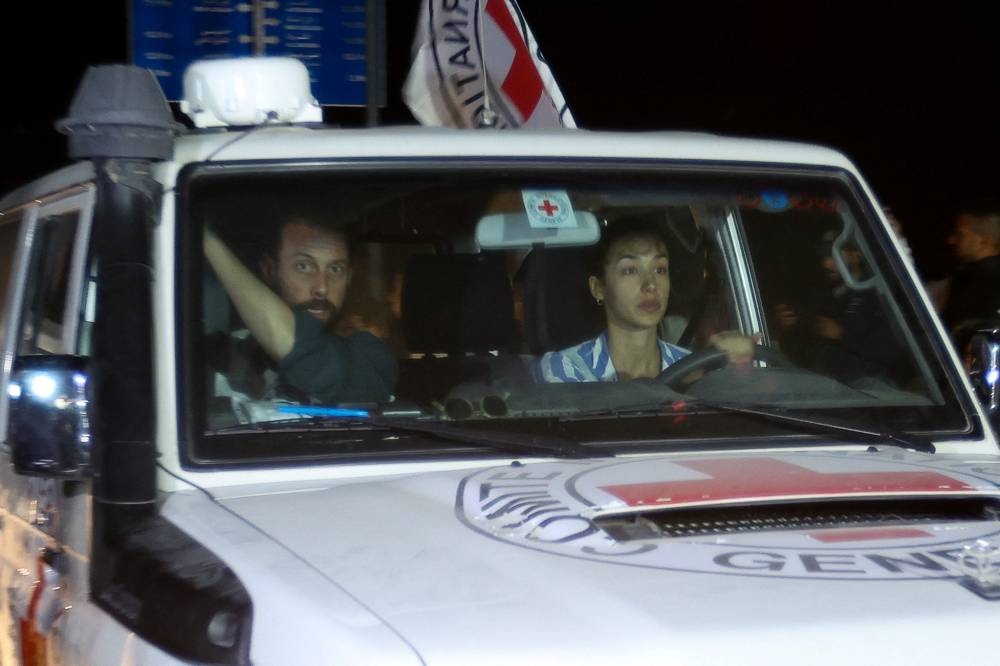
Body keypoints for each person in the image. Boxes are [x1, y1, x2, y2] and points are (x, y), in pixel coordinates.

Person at [203, 216, 397, 404]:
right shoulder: (221, 354)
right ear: (269, 270)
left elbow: (310, 356)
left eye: (336, 270)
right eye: (304, 266)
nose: (322, 288)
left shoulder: (368, 356)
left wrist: (207, 240)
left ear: (348, 278)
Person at [535, 217, 754, 383]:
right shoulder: (566, 367)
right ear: (598, 288)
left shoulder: (692, 363)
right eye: (630, 270)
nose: (650, 285)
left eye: (660, 269)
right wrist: (695, 378)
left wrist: (726, 371)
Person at [942, 209, 1000, 350]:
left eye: (960, 235)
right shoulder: (966, 277)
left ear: (985, 242)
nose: (951, 240)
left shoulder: (985, 284)